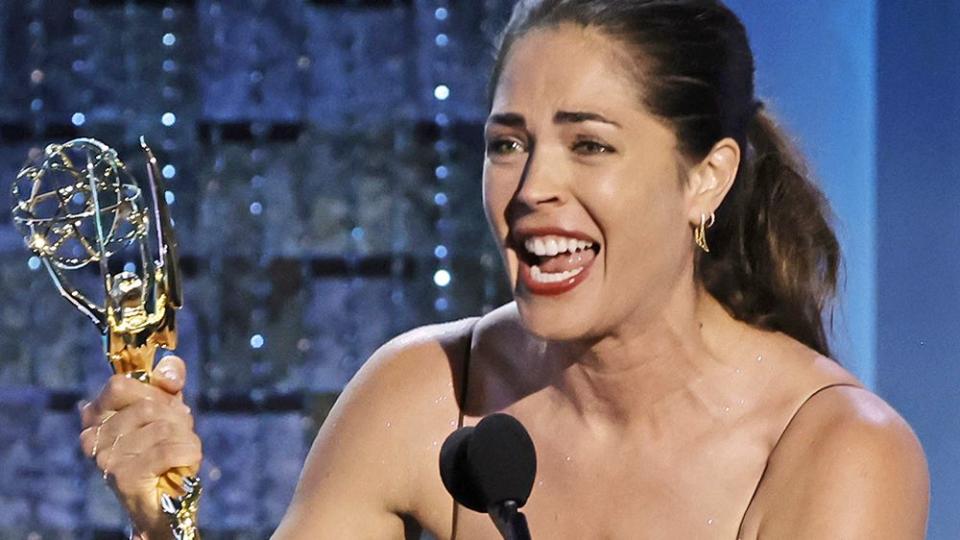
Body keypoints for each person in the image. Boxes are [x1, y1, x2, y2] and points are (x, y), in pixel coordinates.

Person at [78, 0, 930, 538]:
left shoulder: (837, 451)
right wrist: (165, 523)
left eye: (589, 144)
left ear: (706, 178)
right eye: (508, 144)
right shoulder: (423, 390)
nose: (531, 189)